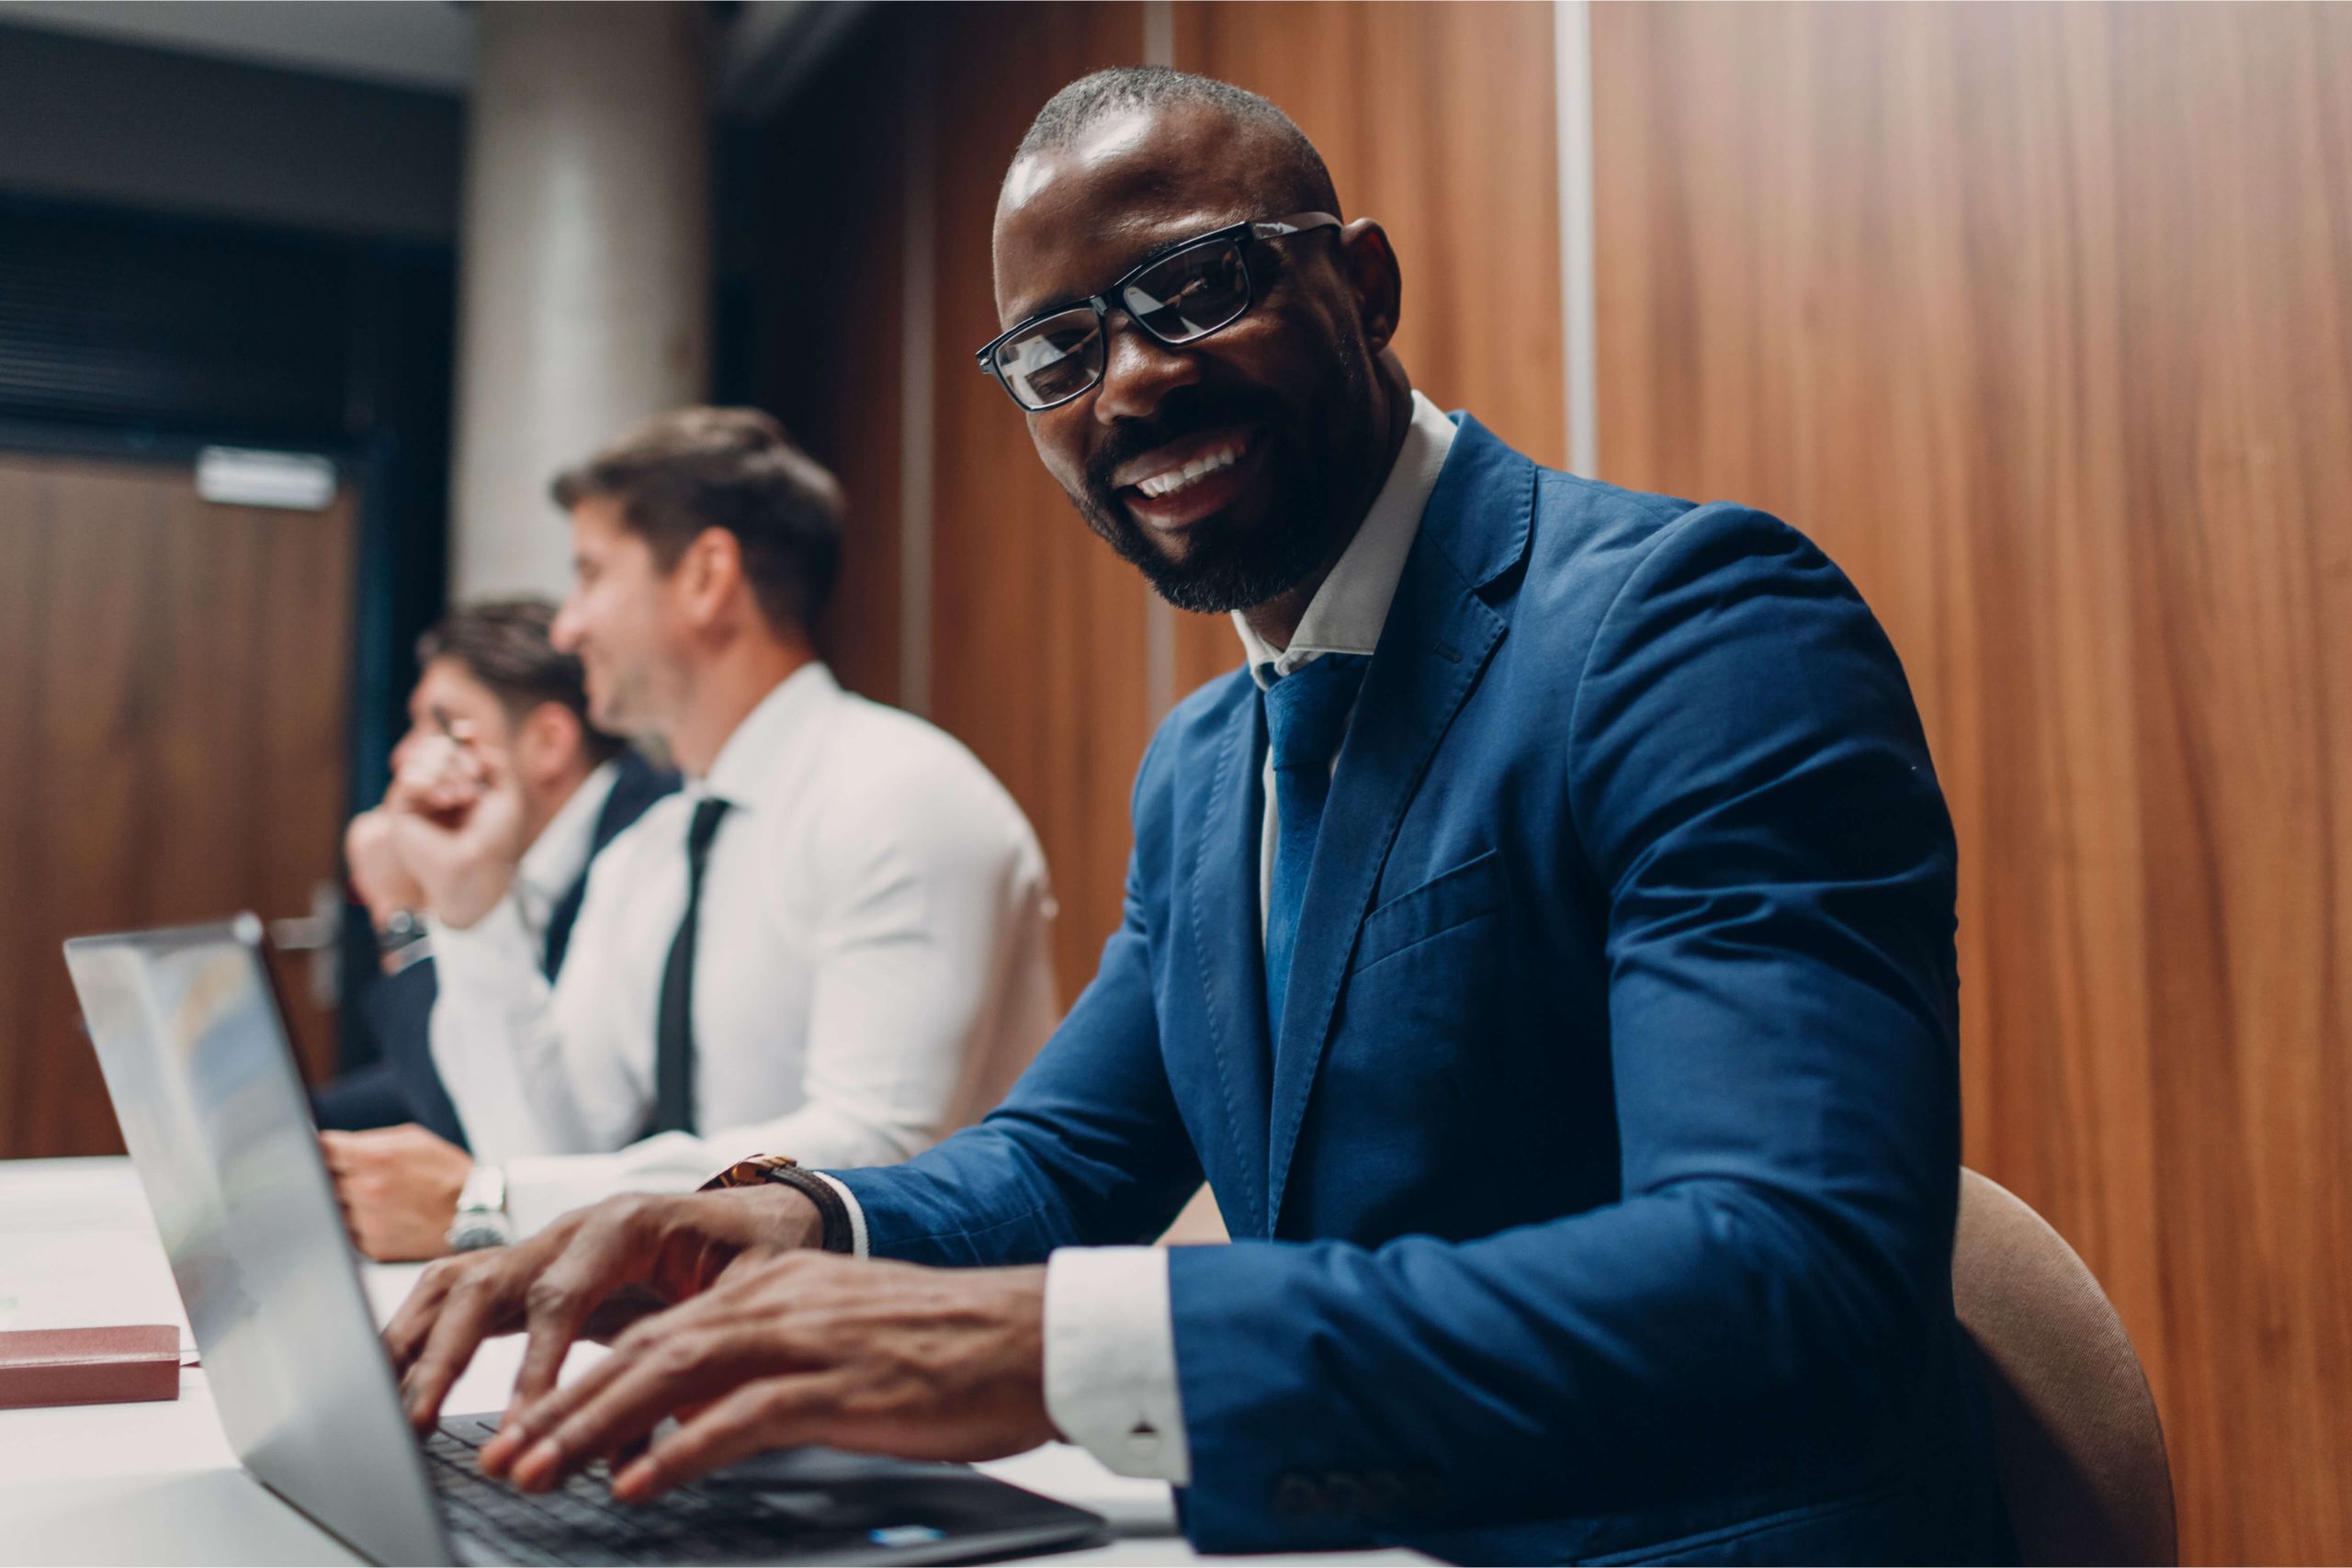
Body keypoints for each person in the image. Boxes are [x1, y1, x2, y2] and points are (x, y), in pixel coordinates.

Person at [384, 70, 2016, 1563]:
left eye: (1200, 286)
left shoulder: (1694, 625)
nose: (1134, 381)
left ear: (1363, 286)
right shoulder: (1202, 764)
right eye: (1058, 351)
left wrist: (1066, 1346)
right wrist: (782, 1218)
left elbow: (1788, 1269)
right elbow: (1064, 1157)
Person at [333, 407, 1059, 1264]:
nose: (567, 627)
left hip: (919, 1332)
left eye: (591, 574)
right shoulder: (650, 850)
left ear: (707, 577)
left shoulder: (899, 793)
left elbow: (875, 1154)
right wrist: (471, 904)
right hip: (722, 1326)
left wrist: (500, 1200)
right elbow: (550, 1142)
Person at [315, 600, 677, 1253]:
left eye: (440, 725)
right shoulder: (550, 851)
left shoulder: (648, 853)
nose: (403, 756)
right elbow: (471, 1065)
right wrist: (295, 1131)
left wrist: (405, 916)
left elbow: (473, 1128)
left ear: (548, 743)